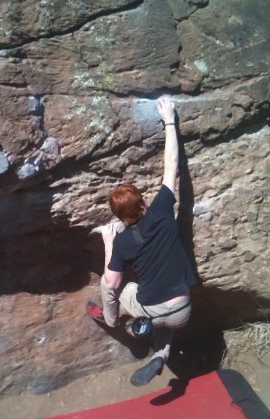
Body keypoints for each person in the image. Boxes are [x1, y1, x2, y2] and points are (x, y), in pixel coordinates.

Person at [86, 96, 196, 386]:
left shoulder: (123, 240)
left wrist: (109, 240)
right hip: (183, 309)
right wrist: (169, 119)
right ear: (143, 200)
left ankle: (110, 322)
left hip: (156, 309)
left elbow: (112, 281)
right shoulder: (161, 209)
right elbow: (171, 164)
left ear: (119, 216)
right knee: (164, 311)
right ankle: (161, 354)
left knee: (115, 285)